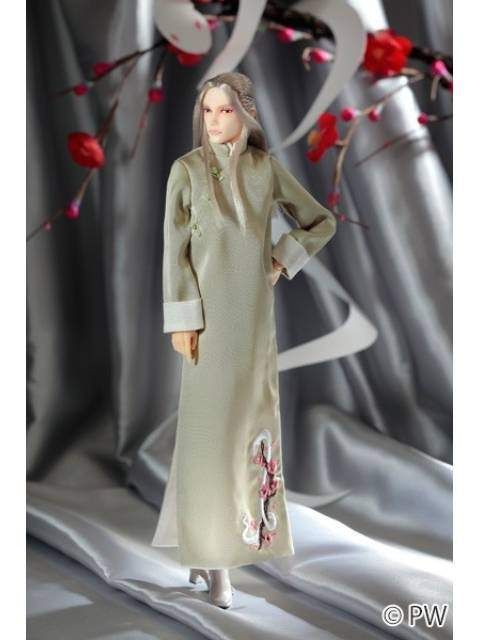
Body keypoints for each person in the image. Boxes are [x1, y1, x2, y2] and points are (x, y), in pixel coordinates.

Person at [151, 72, 337, 609]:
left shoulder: (264, 169)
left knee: (246, 427)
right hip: (206, 326)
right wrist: (182, 321)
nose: (214, 121)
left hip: (253, 323)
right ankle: (214, 562)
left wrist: (280, 259)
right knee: (208, 435)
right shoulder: (186, 171)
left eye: (225, 110)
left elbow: (320, 221)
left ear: (246, 114)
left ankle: (216, 547)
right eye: (207, 111)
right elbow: (174, 252)